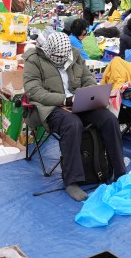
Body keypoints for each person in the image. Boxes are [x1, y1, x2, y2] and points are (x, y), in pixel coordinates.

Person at [23, 32, 125, 202]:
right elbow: (34, 91)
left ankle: (120, 171)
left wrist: (90, 94)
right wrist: (65, 99)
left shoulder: (75, 56)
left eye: (64, 57)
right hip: (50, 106)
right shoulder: (34, 60)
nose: (61, 60)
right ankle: (72, 181)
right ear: (48, 50)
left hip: (79, 102)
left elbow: (88, 79)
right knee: (72, 124)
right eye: (57, 57)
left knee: (109, 120)